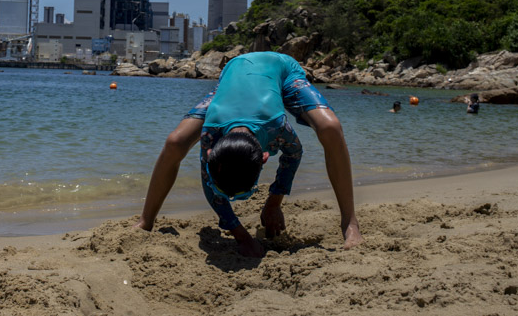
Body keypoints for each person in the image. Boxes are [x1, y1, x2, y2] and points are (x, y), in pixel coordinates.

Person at [134, 51, 362, 257]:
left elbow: (294, 154)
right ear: (211, 152)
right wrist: (241, 235)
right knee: (175, 142)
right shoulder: (210, 137)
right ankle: (146, 221)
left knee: (330, 128)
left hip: (281, 68)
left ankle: (349, 223)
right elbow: (209, 182)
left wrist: (274, 202)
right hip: (234, 71)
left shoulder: (277, 128)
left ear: (264, 156)